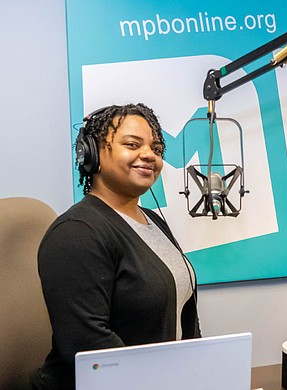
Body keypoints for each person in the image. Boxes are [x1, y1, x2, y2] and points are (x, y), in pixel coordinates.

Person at [31, 103, 201, 389]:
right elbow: (90, 347)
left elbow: (185, 316)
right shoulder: (76, 233)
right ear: (92, 154)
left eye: (157, 149)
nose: (149, 155)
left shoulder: (154, 222)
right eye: (132, 144)